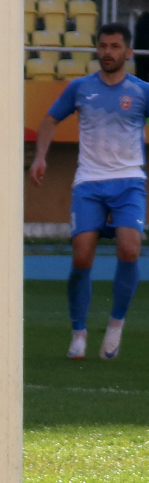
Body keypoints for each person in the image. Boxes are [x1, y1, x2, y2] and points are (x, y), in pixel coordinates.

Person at [29, 23, 149, 360]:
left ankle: (115, 326)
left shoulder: (141, 91)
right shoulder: (80, 88)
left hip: (129, 181)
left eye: (115, 46)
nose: (108, 52)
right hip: (89, 182)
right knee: (82, 256)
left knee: (130, 248)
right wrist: (40, 157)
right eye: (103, 45)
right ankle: (79, 332)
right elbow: (50, 120)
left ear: (128, 52)